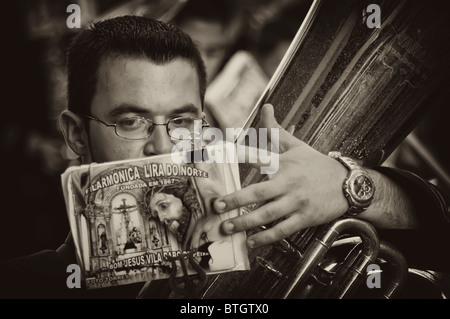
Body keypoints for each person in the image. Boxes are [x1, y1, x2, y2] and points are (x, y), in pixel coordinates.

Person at [1, 15, 448, 299]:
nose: (163, 148)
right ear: (77, 135)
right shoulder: (23, 285)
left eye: (182, 122)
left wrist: (352, 189)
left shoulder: (265, 223)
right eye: (130, 122)